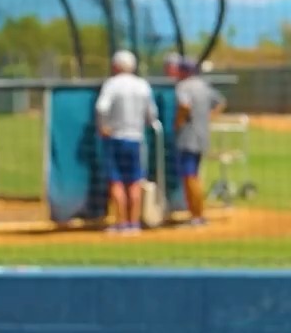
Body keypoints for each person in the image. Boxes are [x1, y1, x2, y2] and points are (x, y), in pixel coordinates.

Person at [95, 49, 158, 232]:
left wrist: (103, 126)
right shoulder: (143, 86)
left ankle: (121, 222)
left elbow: (101, 107)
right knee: (135, 180)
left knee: (116, 181)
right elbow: (151, 114)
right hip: (136, 138)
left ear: (115, 66)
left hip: (115, 137)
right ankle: (134, 223)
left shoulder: (112, 84)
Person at [168, 52, 227, 226]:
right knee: (195, 175)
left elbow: (184, 105)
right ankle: (198, 215)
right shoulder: (204, 86)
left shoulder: (183, 87)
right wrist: (209, 117)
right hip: (202, 136)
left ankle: (197, 216)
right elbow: (221, 102)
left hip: (188, 137)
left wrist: (177, 122)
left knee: (189, 177)